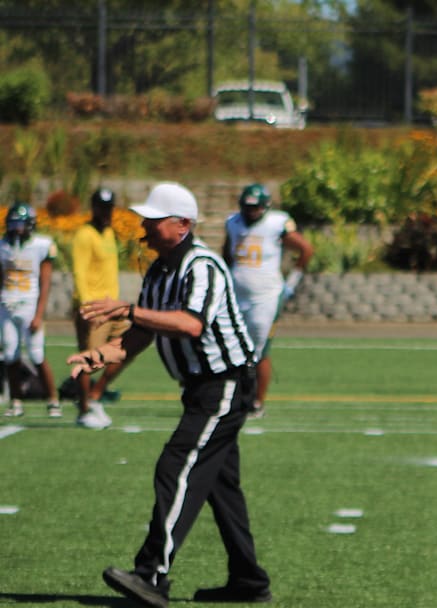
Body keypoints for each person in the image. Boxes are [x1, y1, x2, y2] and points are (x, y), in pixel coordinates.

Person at [68, 182, 271, 607]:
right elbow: (141, 334)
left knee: (175, 466)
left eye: (154, 219)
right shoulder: (160, 270)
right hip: (201, 386)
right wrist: (99, 355)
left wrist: (126, 309)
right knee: (220, 486)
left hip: (225, 383)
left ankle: (151, 576)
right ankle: (249, 580)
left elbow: (190, 324)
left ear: (182, 225)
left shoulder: (203, 265)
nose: (145, 226)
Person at [222, 183, 313, 419]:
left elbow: (305, 249)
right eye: (248, 207)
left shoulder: (277, 223)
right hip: (236, 294)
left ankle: (256, 402)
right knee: (232, 347)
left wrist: (291, 282)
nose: (251, 212)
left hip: (266, 297)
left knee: (259, 349)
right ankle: (234, 398)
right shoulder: (233, 223)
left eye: (255, 208)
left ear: (265, 207)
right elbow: (227, 253)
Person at [69, 187, 127, 429]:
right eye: (101, 207)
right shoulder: (85, 235)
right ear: (93, 208)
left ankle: (96, 395)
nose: (106, 212)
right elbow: (79, 271)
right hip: (93, 308)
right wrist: (86, 307)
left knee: (125, 351)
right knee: (89, 360)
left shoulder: (109, 233)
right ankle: (84, 409)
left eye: (109, 208)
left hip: (112, 307)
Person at [0, 202, 62, 419]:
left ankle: (53, 400)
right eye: (14, 223)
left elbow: (44, 282)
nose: (17, 228)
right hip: (7, 305)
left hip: (29, 304)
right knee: (10, 355)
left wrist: (39, 313)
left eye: (21, 223)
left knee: (37, 354)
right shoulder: (3, 245)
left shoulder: (40, 245)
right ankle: (16, 401)